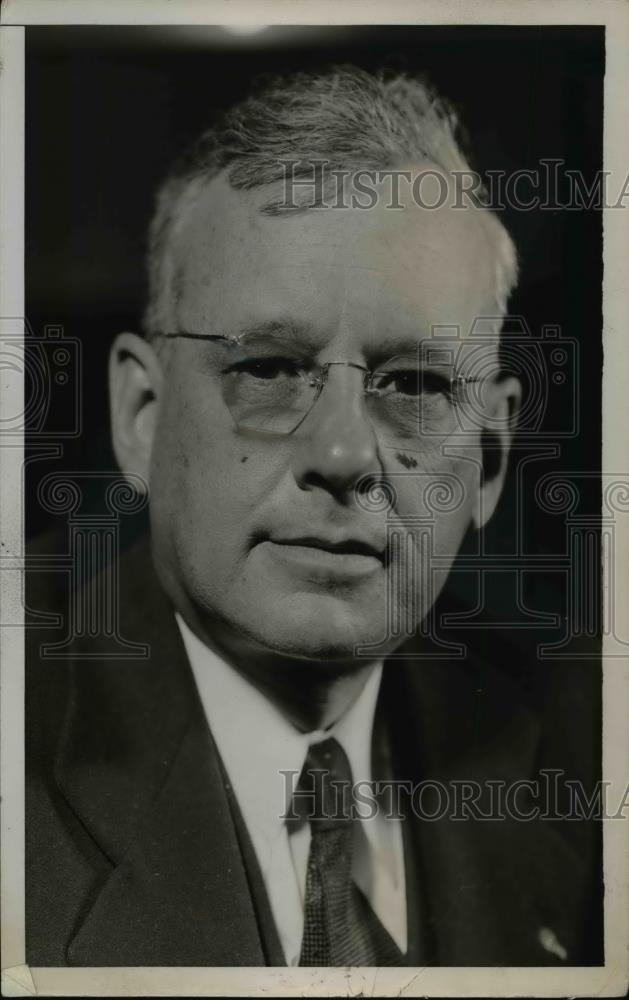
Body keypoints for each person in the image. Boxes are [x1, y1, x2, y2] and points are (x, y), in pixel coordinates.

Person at [26, 66, 602, 967]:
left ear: (487, 460)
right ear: (142, 418)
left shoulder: (584, 761)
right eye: (268, 369)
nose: (341, 457)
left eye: (414, 384)